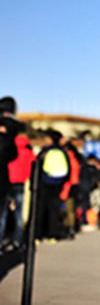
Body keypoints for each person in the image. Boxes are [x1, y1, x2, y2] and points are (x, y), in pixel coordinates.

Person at [0, 97, 26, 250]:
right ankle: (16, 240)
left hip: (9, 178)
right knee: (16, 213)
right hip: (13, 181)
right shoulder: (23, 147)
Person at [36, 129, 71, 241]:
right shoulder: (63, 152)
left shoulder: (44, 152)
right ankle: (53, 234)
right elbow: (68, 171)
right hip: (57, 185)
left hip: (43, 184)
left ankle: (38, 234)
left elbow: (37, 168)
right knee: (54, 210)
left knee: (40, 210)